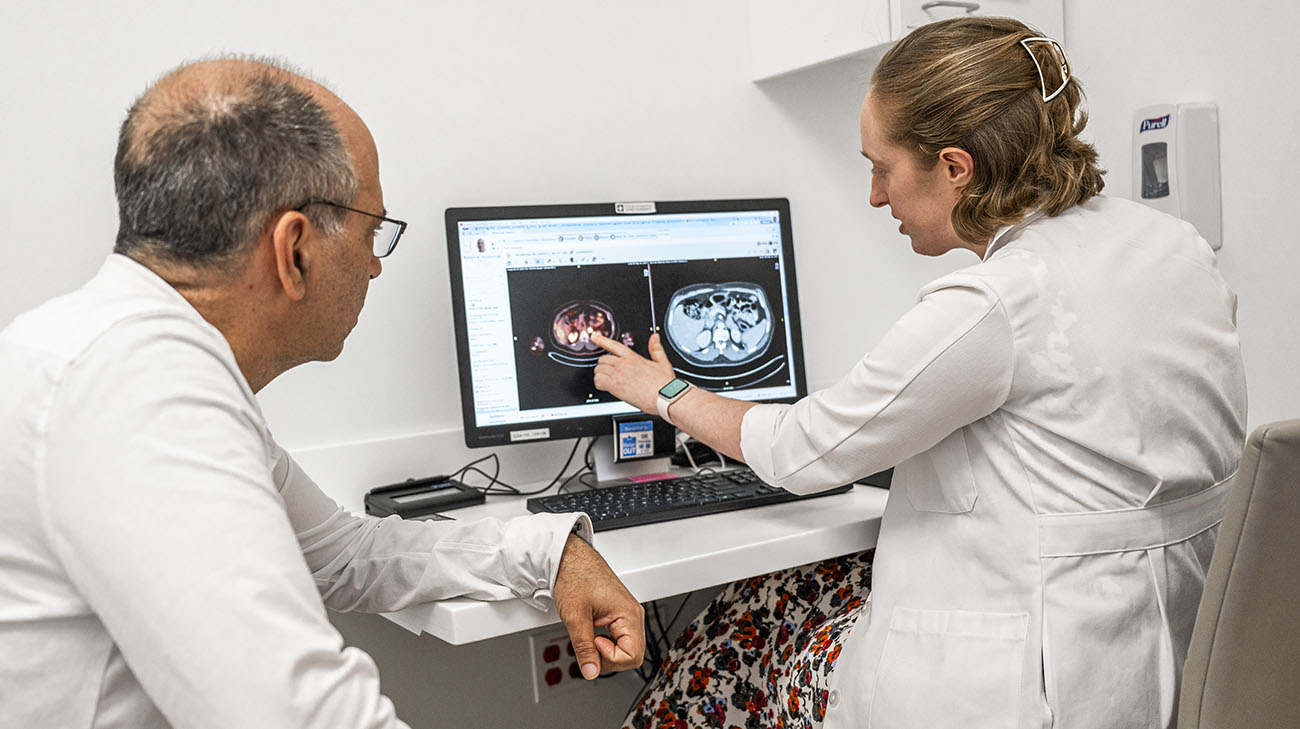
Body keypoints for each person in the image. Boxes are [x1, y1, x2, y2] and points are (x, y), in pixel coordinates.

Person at [593, 17, 1246, 729]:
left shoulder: (994, 301)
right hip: (1172, 651)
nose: (875, 195)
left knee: (722, 650)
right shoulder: (1171, 245)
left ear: (956, 167)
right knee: (778, 590)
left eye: (882, 167)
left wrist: (662, 390)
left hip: (1034, 685)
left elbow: (799, 450)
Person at [0, 56, 643, 728]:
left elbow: (345, 555)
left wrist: (549, 551)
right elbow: (301, 715)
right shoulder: (136, 391)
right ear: (295, 249)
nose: (373, 264)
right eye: (373, 232)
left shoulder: (124, 356)